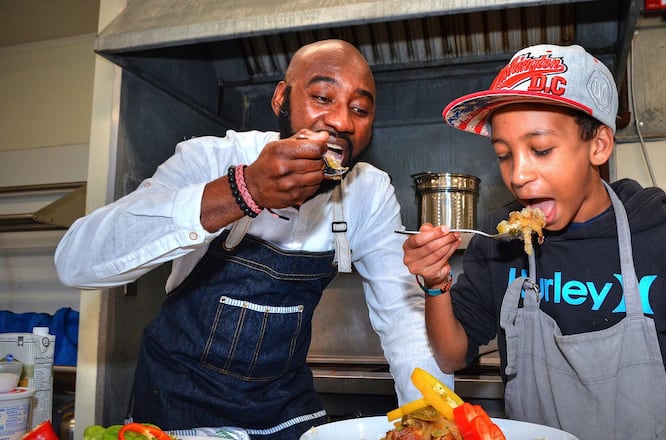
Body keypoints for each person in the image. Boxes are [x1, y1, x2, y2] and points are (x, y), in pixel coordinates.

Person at [54, 39, 452, 439]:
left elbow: (402, 317)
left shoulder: (368, 192)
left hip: (284, 417)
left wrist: (437, 421)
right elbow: (77, 261)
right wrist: (242, 191)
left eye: (360, 109)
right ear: (282, 98)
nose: (342, 122)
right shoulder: (208, 159)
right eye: (322, 97)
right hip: (176, 414)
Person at [402, 44, 666, 440]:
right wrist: (435, 283)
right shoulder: (500, 242)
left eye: (541, 150)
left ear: (599, 145)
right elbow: (451, 354)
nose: (518, 175)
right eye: (505, 155)